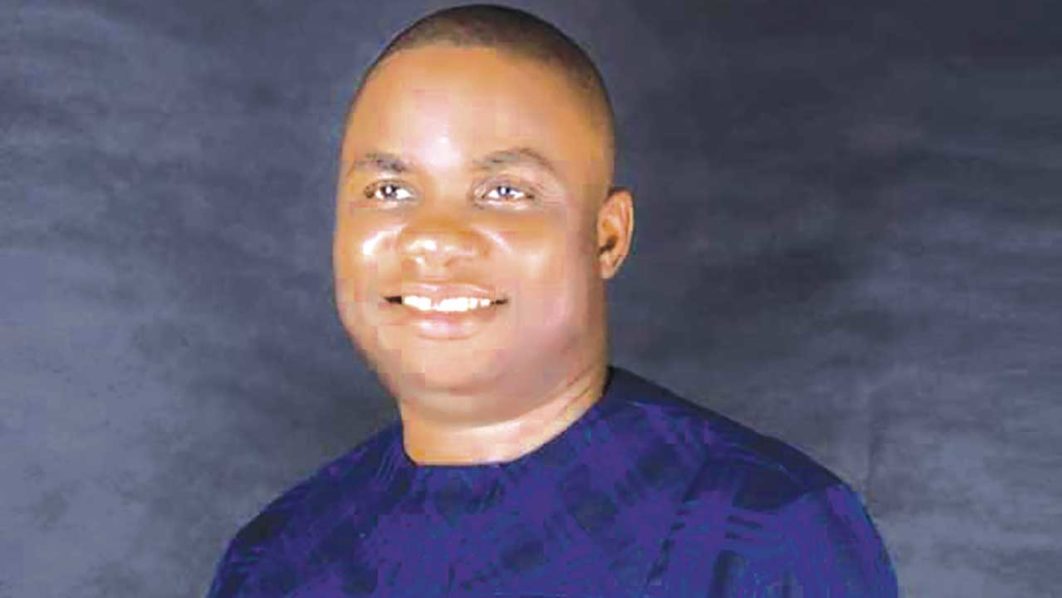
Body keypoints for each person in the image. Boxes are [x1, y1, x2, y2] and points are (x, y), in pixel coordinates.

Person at [208, 4, 898, 596]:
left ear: (606, 237)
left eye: (505, 192)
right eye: (389, 191)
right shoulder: (276, 559)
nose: (434, 238)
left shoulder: (766, 532)